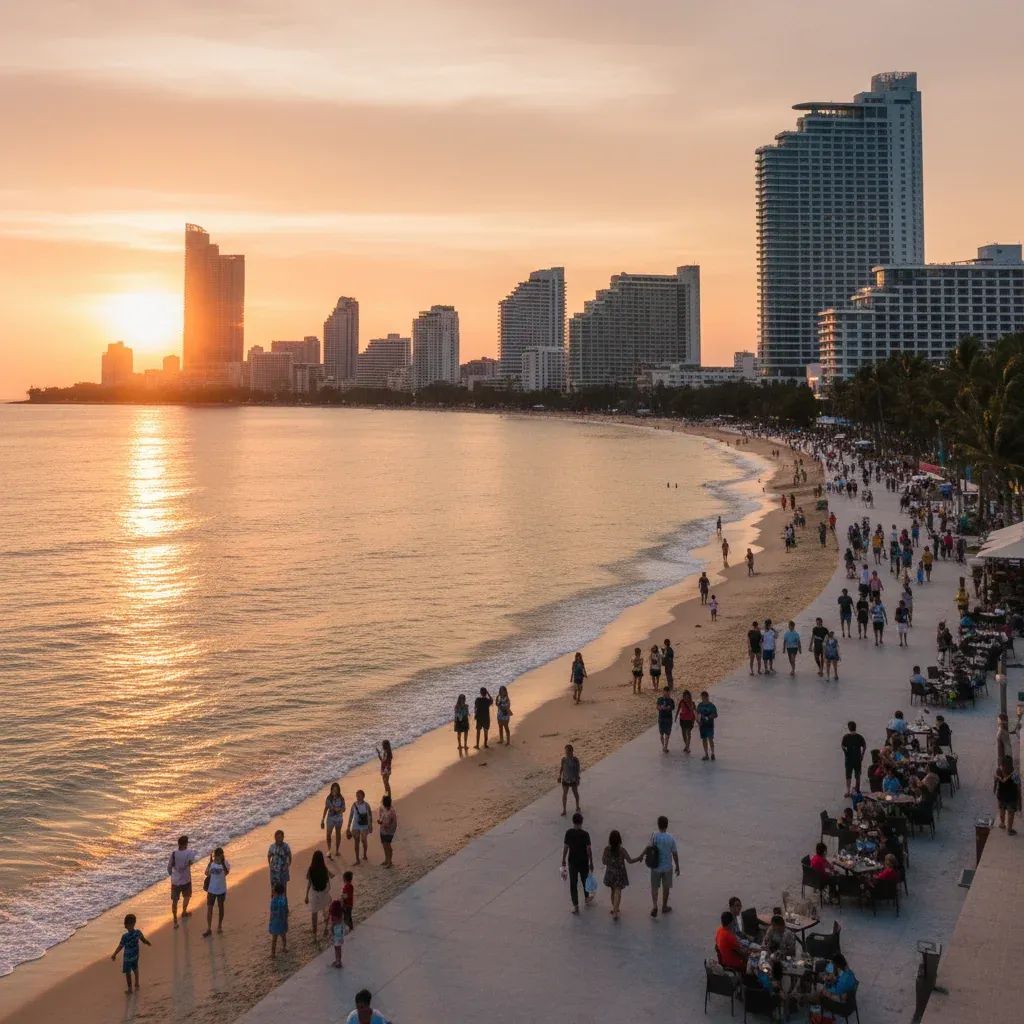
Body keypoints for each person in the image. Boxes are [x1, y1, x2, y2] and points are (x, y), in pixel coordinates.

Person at [601, 829, 641, 919]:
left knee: (612, 891)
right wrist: (640, 857)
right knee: (618, 892)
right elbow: (630, 861)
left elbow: (603, 861)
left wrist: (610, 861)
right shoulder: (622, 850)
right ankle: (615, 910)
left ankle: (615, 908)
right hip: (619, 874)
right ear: (620, 840)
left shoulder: (607, 849)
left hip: (610, 874)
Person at [647, 815, 680, 918]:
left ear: (658, 825)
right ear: (667, 825)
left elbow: (649, 848)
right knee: (666, 888)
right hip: (667, 867)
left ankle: (655, 906)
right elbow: (674, 853)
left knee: (654, 887)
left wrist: (641, 857)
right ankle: (664, 906)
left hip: (655, 866)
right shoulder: (670, 838)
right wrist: (678, 866)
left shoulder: (654, 836)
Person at [561, 811, 593, 913]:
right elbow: (588, 850)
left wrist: (563, 859)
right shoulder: (585, 834)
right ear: (582, 822)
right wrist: (591, 862)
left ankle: (576, 906)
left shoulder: (568, 833)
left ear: (573, 821)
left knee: (573, 884)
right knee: (585, 881)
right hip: (583, 862)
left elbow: (566, 847)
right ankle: (587, 898)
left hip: (572, 862)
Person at [110, 913, 151, 994]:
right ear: (134, 923)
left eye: (126, 924)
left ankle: (130, 989)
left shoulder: (125, 936)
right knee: (135, 968)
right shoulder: (138, 932)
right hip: (135, 956)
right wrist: (147, 943)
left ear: (126, 925)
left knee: (128, 973)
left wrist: (114, 954)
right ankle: (136, 983)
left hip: (128, 958)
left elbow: (120, 946)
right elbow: (143, 940)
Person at [167, 834, 197, 929]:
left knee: (175, 901)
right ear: (185, 844)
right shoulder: (189, 852)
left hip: (175, 881)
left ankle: (175, 921)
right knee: (187, 896)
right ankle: (184, 911)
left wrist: (172, 875)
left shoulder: (174, 853)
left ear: (179, 844)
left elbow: (169, 867)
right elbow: (191, 862)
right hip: (186, 879)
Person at [304, 849, 335, 937]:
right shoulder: (324, 868)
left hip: (315, 894)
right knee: (327, 909)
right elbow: (332, 876)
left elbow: (309, 882)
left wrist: (306, 896)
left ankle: (314, 934)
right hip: (324, 893)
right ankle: (325, 929)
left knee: (314, 914)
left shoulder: (311, 869)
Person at [202, 847, 229, 937]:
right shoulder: (212, 863)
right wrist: (210, 864)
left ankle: (219, 926)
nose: (217, 858)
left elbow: (226, 873)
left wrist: (222, 864)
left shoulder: (225, 863)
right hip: (211, 889)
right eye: (216, 856)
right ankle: (209, 928)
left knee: (221, 908)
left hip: (221, 889)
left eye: (220, 856)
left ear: (222, 855)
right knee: (209, 909)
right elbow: (206, 873)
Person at [995, 755, 1021, 835]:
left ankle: (1002, 823)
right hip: (1011, 798)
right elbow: (1018, 788)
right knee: (1010, 813)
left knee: (1002, 810)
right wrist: (1019, 799)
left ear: (1002, 765)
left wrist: (995, 789)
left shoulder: (999, 771)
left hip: (1001, 796)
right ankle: (1009, 829)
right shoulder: (1015, 774)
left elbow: (996, 782)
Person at [347, 790, 373, 864]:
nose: (358, 797)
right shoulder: (354, 805)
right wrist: (348, 827)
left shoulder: (366, 805)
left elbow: (370, 816)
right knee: (356, 842)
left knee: (364, 840)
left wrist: (370, 825)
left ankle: (365, 854)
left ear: (363, 796)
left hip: (364, 825)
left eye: (359, 795)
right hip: (355, 825)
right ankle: (357, 859)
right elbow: (351, 816)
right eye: (357, 795)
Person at [321, 783, 346, 859]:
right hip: (330, 818)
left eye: (336, 789)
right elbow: (326, 808)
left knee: (338, 834)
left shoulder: (341, 798)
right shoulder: (328, 798)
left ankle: (337, 850)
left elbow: (344, 808)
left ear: (338, 790)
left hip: (339, 819)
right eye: (333, 789)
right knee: (328, 834)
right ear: (331, 790)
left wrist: (340, 810)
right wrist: (322, 819)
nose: (334, 791)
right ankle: (329, 850)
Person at [842, 722, 866, 796]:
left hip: (849, 759)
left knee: (848, 775)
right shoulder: (860, 737)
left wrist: (845, 752)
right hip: (857, 759)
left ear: (849, 728)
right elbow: (864, 746)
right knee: (857, 774)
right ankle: (857, 788)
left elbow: (842, 746)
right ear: (855, 727)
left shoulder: (846, 737)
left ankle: (848, 791)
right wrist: (862, 755)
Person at [559, 743, 582, 815]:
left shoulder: (575, 760)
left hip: (573, 779)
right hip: (565, 779)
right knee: (564, 794)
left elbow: (577, 770)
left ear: (572, 751)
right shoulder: (563, 759)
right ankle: (564, 810)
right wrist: (559, 776)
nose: (566, 753)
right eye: (565, 752)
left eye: (568, 752)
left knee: (575, 793)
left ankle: (577, 806)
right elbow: (561, 768)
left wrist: (578, 779)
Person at [696, 690, 718, 761]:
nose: (704, 698)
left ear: (707, 697)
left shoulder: (711, 706)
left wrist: (709, 717)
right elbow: (698, 715)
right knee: (704, 740)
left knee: (710, 739)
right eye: (702, 697)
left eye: (705, 697)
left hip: (709, 725)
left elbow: (715, 715)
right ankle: (706, 754)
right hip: (702, 726)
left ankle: (713, 753)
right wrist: (698, 722)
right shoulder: (700, 705)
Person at [377, 795, 397, 868]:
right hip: (383, 830)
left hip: (390, 831)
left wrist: (381, 823)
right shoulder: (382, 807)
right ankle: (386, 860)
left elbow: (389, 823)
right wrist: (380, 821)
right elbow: (381, 816)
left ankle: (389, 862)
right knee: (384, 845)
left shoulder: (392, 812)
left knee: (387, 845)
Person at [268, 883, 288, 956]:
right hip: (282, 921)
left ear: (275, 891)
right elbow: (285, 910)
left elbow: (272, 912)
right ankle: (284, 948)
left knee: (274, 939)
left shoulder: (273, 900)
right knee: (283, 936)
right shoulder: (283, 899)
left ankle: (273, 953)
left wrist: (270, 921)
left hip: (275, 922)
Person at [656, 686, 675, 752]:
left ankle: (665, 747)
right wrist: (661, 707)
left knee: (667, 733)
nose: (666, 693)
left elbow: (671, 707)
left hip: (668, 719)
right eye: (665, 692)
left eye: (667, 692)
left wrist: (666, 708)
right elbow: (657, 707)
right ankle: (663, 746)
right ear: (663, 692)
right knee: (661, 734)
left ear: (669, 692)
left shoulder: (671, 700)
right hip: (661, 718)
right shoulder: (660, 699)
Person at [328, 899, 344, 968]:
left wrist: (330, 935)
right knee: (339, 949)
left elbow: (332, 928)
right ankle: (339, 960)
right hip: (340, 936)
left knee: (336, 949)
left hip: (335, 936)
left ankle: (337, 961)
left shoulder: (333, 919)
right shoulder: (340, 917)